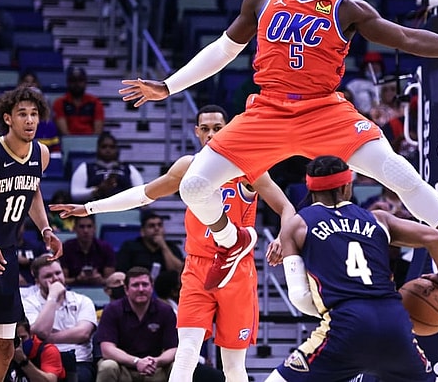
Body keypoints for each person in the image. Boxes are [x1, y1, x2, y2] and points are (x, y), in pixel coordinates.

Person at [119, 0, 438, 290]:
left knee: (398, 172)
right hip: (269, 109)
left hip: (324, 109)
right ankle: (231, 241)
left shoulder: (347, 8)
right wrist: (168, 86)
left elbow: (407, 37)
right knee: (192, 188)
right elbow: (223, 50)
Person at [50, 104, 296, 382]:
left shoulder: (248, 166)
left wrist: (282, 238)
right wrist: (90, 208)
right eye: (205, 129)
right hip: (197, 268)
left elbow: (287, 208)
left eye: (218, 128)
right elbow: (144, 194)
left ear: (229, 129)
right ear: (196, 132)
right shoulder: (188, 166)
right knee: (187, 352)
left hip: (237, 269)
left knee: (233, 366)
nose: (211, 134)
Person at [264, 155, 438, 381]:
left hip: (346, 323)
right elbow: (437, 238)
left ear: (310, 187)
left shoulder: (297, 225)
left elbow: (299, 298)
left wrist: (342, 306)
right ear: (347, 185)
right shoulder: (379, 219)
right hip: (394, 321)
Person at [0, 87, 63, 382]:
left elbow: (33, 188)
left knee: (3, 350)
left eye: (34, 114)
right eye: (22, 114)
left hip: (5, 259)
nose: (30, 120)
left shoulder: (41, 154)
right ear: (8, 119)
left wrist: (45, 228)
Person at [95, 267, 177, 382]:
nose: (141, 289)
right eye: (135, 285)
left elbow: (173, 349)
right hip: (123, 367)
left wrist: (157, 361)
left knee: (177, 366)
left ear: (152, 287)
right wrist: (136, 361)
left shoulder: (165, 311)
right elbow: (107, 349)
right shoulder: (112, 310)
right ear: (126, 289)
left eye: (145, 284)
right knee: (107, 366)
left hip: (154, 368)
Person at [23, 255, 97, 382]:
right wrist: (52, 296)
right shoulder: (29, 303)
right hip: (43, 359)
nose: (55, 279)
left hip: (79, 360)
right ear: (37, 281)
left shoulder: (83, 301)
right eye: (48, 276)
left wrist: (48, 338)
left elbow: (83, 334)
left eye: (58, 273)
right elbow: (40, 332)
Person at [70, 132, 145, 203]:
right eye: (104, 146)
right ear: (97, 149)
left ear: (117, 149)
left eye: (112, 147)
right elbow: (75, 194)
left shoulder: (128, 168)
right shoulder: (86, 167)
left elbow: (141, 193)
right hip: (93, 210)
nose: (108, 150)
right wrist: (97, 190)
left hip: (125, 208)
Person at [115, 210, 184, 273]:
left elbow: (178, 272)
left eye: (160, 225)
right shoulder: (130, 247)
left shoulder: (172, 247)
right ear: (142, 231)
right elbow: (122, 272)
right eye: (151, 226)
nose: (156, 228)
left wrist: (164, 247)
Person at [60, 215, 116, 286]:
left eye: (89, 226)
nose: (85, 230)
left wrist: (100, 280)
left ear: (95, 228)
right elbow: (62, 280)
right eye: (81, 227)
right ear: (75, 228)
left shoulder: (106, 248)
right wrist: (77, 279)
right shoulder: (66, 248)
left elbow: (111, 280)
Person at [52, 67, 105, 136]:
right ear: (68, 83)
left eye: (80, 80)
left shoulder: (95, 102)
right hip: (67, 144)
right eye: (73, 80)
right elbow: (64, 132)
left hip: (91, 143)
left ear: (86, 83)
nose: (77, 84)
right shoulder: (59, 103)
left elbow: (98, 132)